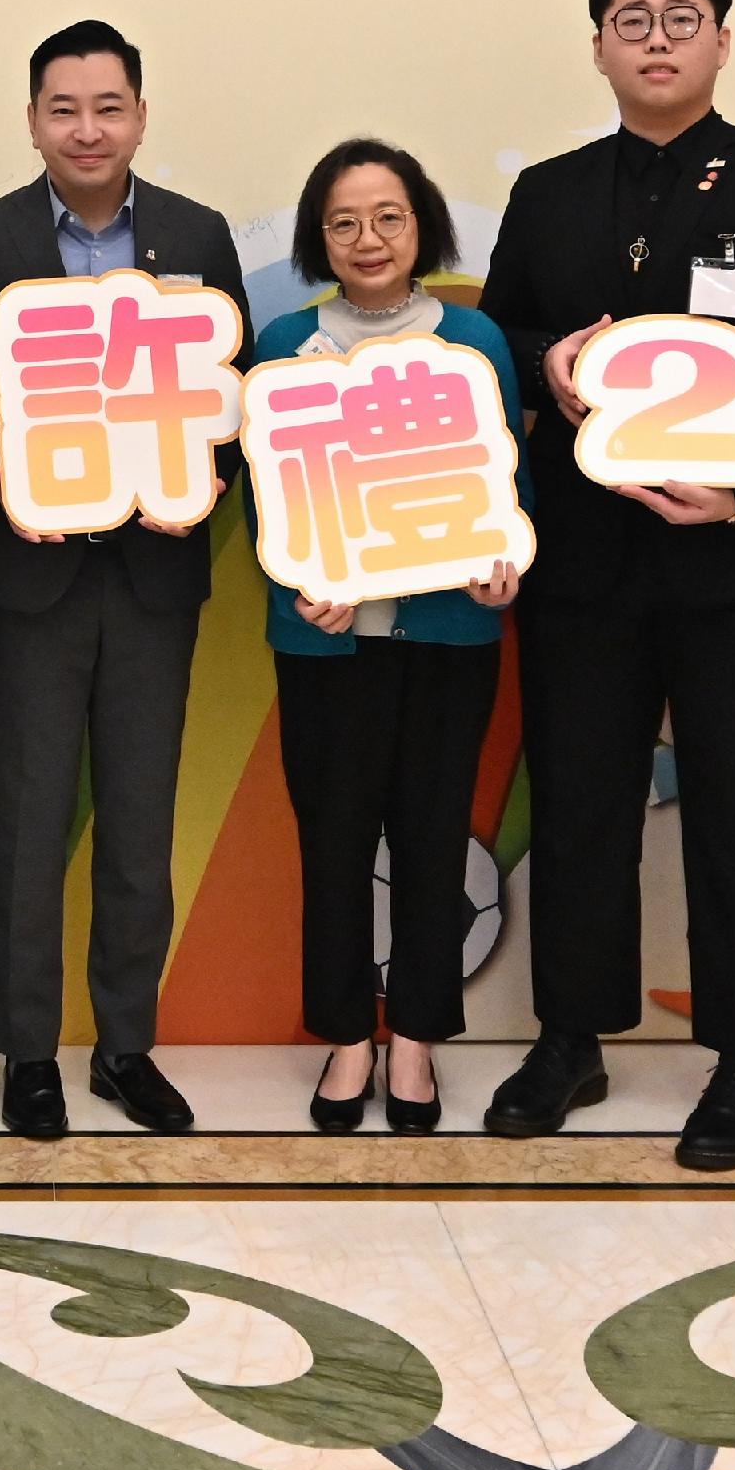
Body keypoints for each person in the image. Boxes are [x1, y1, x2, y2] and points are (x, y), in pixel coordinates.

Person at [475, 0, 735, 1164]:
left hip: (732, 556)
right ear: (596, 43)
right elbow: (500, 334)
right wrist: (548, 363)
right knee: (581, 795)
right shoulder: (549, 189)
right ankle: (570, 1037)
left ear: (723, 41)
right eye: (629, 16)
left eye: (679, 16)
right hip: (582, 552)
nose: (654, 35)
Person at [0, 20, 250, 1140]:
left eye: (108, 105)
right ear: (32, 119)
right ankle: (29, 1051)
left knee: (136, 817)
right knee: (24, 822)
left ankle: (125, 1044)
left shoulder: (195, 236)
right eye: (64, 107)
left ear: (139, 114)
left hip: (154, 574)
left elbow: (234, 399)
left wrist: (209, 472)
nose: (87, 127)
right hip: (29, 582)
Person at [246, 140, 522, 1135]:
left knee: (430, 835)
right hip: (328, 642)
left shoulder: (476, 339)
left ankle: (414, 1039)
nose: (368, 238)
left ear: (422, 226)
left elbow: (507, 483)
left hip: (447, 636)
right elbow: (268, 506)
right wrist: (296, 585)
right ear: (320, 236)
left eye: (389, 216)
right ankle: (345, 1036)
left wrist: (502, 563)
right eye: (345, 220)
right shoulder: (283, 342)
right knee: (332, 840)